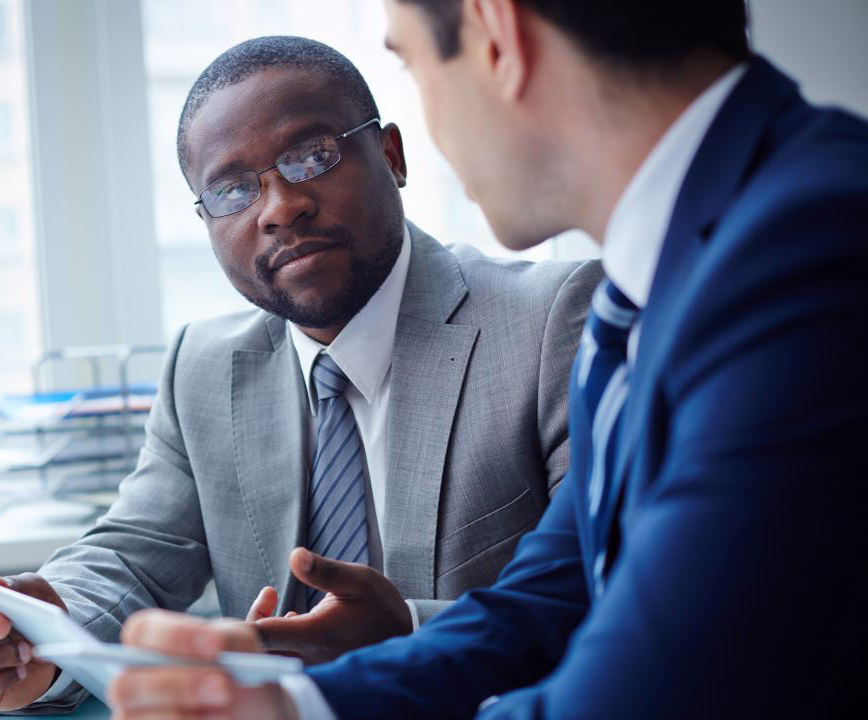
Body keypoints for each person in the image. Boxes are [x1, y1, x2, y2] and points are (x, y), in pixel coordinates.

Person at [109, 0, 868, 718]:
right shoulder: (653, 285)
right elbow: (547, 604)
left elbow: (651, 691)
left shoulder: (811, 249)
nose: (280, 207)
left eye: (411, 64)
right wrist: (297, 706)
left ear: (496, 34)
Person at [0, 36, 600, 712]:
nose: (280, 207)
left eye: (312, 157)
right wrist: (44, 626)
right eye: (232, 189)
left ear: (391, 157)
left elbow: (596, 596)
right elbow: (133, 552)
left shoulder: (551, 322)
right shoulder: (203, 367)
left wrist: (405, 632)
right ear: (204, 221)